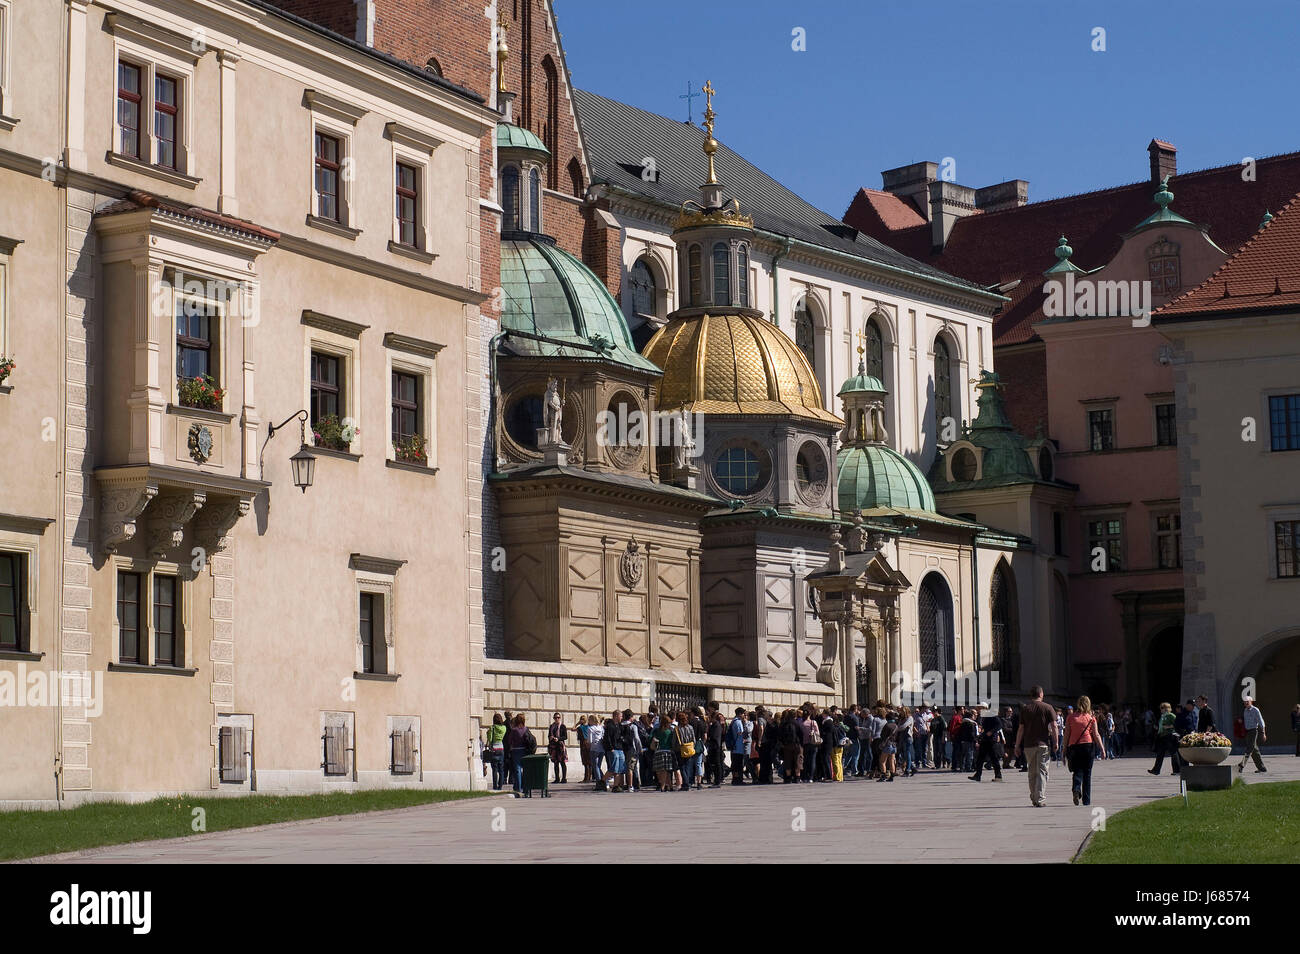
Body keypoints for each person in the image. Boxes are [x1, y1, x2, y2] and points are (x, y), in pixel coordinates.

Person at [1015, 686, 1059, 807]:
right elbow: (1054, 726)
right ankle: (1039, 798)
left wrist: (1017, 745)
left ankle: (1034, 796)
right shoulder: (1048, 707)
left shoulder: (1025, 709)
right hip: (1043, 744)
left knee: (1032, 772)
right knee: (1042, 771)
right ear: (1040, 694)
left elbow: (1021, 729)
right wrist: (1056, 742)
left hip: (1028, 745)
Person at [1065, 696, 1102, 806]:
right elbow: (1096, 734)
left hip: (1074, 747)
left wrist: (1063, 750)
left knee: (1077, 770)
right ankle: (1086, 800)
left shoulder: (1070, 717)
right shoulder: (1091, 718)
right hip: (1088, 746)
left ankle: (1076, 789)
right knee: (1087, 774)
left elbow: (1066, 735)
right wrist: (1102, 748)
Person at [969, 711, 1005, 782]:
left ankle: (998, 776)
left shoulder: (992, 716)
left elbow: (999, 725)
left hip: (991, 741)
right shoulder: (984, 717)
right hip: (985, 740)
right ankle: (977, 775)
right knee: (980, 758)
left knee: (994, 758)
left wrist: (991, 732)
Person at [1148, 702, 1180, 776]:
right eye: (1161, 708)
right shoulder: (1162, 716)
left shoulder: (1171, 715)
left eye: (1162, 708)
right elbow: (1160, 726)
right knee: (1160, 754)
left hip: (1170, 736)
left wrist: (1168, 727)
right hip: (1162, 736)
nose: (1161, 709)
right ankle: (1156, 770)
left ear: (1167, 708)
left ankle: (1177, 770)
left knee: (1173, 753)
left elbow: (1176, 724)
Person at [1237, 697, 1268, 774]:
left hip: (1254, 731)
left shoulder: (1255, 710)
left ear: (1251, 702)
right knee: (1254, 750)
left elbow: (1261, 722)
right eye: (1245, 702)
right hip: (1247, 732)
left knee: (1249, 748)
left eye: (1247, 701)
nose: (1246, 703)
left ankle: (1242, 765)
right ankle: (1262, 768)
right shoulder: (1245, 711)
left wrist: (1263, 733)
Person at [506, 714, 533, 797]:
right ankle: (526, 788)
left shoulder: (514, 730)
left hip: (516, 751)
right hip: (525, 751)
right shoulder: (526, 729)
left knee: (517, 770)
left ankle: (518, 788)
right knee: (525, 770)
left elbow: (509, 741)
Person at [651, 715, 678, 791]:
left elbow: (651, 738)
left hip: (658, 752)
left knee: (661, 770)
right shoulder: (670, 731)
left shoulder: (657, 731)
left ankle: (663, 785)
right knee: (667, 771)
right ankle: (669, 785)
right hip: (668, 752)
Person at [675, 711, 698, 792]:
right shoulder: (690, 727)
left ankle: (686, 784)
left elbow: (675, 741)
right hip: (689, 749)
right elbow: (693, 739)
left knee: (682, 767)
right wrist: (692, 747)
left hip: (680, 749)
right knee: (688, 767)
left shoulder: (677, 729)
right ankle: (687, 783)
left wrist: (674, 749)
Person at [485, 712, 507, 791]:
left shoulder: (492, 728)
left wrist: (488, 734)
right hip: (501, 748)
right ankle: (500, 786)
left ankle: (495, 786)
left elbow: (490, 739)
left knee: (494, 769)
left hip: (494, 748)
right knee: (501, 769)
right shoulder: (504, 728)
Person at [728, 707, 749, 785]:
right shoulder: (738, 722)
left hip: (735, 746)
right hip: (738, 747)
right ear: (740, 714)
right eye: (743, 713)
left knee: (735, 763)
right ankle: (737, 779)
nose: (744, 715)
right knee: (738, 764)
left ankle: (736, 778)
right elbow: (740, 733)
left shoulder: (734, 721)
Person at [548, 712, 569, 783]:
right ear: (553, 718)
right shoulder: (552, 726)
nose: (557, 719)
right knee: (555, 763)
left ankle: (564, 778)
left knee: (562, 762)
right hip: (553, 746)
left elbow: (565, 737)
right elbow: (549, 735)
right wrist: (551, 738)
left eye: (558, 717)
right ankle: (557, 778)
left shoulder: (563, 726)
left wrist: (558, 738)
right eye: (555, 718)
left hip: (560, 746)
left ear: (560, 718)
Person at [587, 712, 605, 789]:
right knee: (598, 766)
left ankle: (599, 784)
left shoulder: (590, 728)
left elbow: (590, 740)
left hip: (594, 748)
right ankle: (604, 781)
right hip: (601, 748)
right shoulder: (601, 728)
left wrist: (588, 745)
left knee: (595, 767)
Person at [576, 715, 591, 782]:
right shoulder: (589, 727)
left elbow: (572, 728)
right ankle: (588, 777)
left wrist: (577, 723)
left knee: (585, 762)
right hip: (589, 743)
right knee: (589, 762)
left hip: (583, 744)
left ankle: (586, 778)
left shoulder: (580, 727)